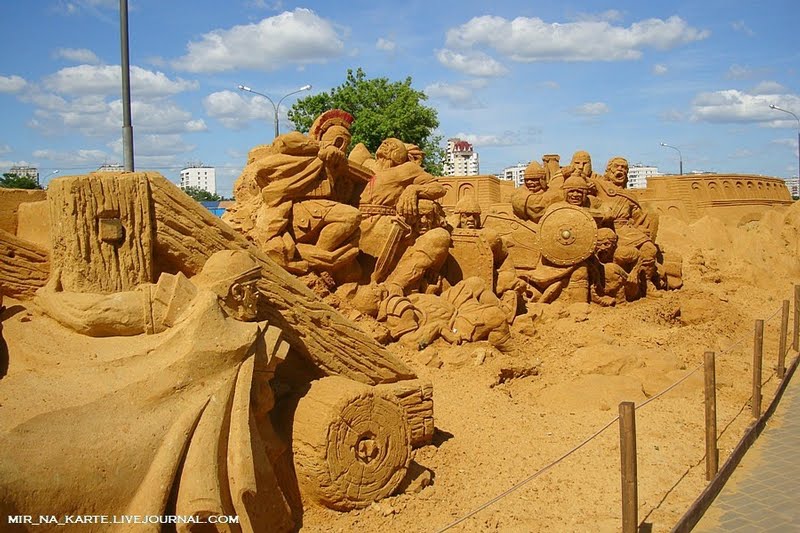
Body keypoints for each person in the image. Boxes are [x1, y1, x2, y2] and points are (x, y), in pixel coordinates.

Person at [225, 109, 365, 276]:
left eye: (345, 144)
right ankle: (318, 263)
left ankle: (318, 258)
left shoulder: (336, 166)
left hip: (320, 208)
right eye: (338, 142)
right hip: (300, 208)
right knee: (350, 216)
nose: (341, 148)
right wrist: (320, 147)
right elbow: (283, 142)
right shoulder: (307, 152)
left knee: (353, 227)